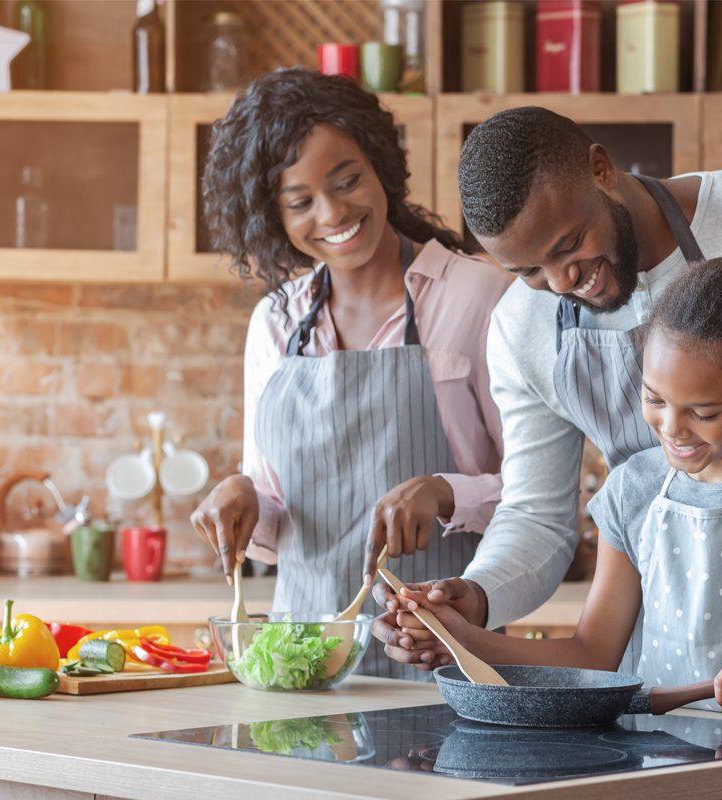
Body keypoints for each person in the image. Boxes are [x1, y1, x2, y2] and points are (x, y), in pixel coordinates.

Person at [375, 106, 722, 720]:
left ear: (602, 169)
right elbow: (536, 517)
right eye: (528, 270)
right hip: (663, 716)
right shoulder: (526, 335)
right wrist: (471, 603)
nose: (562, 282)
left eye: (568, 245)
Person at [190, 68, 509, 679]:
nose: (333, 213)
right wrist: (244, 494)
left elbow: (537, 500)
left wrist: (445, 491)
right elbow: (277, 501)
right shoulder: (276, 322)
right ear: (271, 215)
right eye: (300, 201)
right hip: (303, 669)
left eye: (347, 180)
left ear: (380, 164)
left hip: (445, 654)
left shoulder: (478, 297)